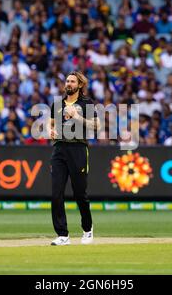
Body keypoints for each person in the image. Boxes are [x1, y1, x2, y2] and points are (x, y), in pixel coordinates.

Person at [48, 71, 100, 245]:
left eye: (72, 81)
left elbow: (96, 126)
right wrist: (51, 131)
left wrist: (77, 116)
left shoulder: (86, 102)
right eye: (67, 81)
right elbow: (51, 123)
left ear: (79, 85)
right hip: (59, 149)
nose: (68, 84)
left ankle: (87, 228)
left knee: (80, 194)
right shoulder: (57, 103)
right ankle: (63, 234)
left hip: (78, 148)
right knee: (56, 194)